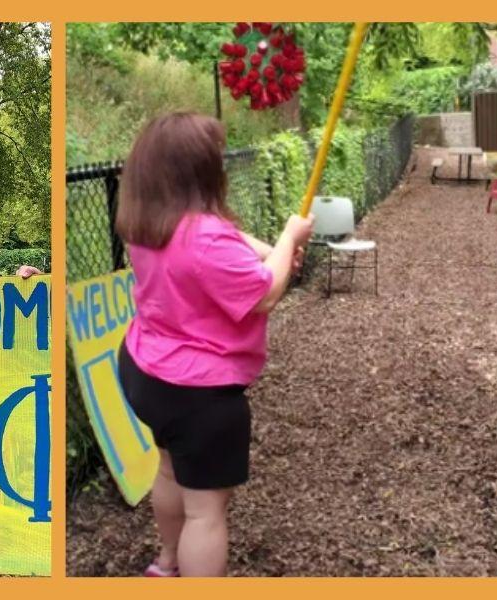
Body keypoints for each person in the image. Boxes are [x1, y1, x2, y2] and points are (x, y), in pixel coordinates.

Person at [112, 112, 313, 577]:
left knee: (167, 471)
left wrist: (271, 251)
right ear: (200, 173)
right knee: (206, 512)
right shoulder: (204, 239)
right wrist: (289, 239)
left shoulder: (146, 223)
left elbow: (227, 245)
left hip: (145, 372)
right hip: (197, 394)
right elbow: (264, 293)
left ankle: (166, 562)